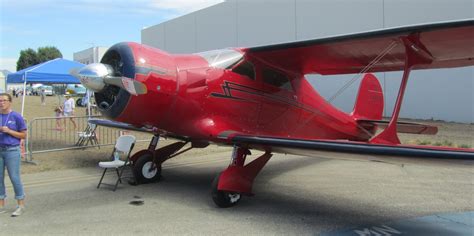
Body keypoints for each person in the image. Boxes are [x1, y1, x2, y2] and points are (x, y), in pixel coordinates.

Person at [0, 93, 27, 217]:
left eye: (4, 100)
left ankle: (20, 205)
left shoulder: (16, 116)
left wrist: (9, 131)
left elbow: (23, 135)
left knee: (14, 178)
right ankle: (1, 205)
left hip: (12, 150)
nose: (2, 103)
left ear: (10, 102)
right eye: (0, 101)